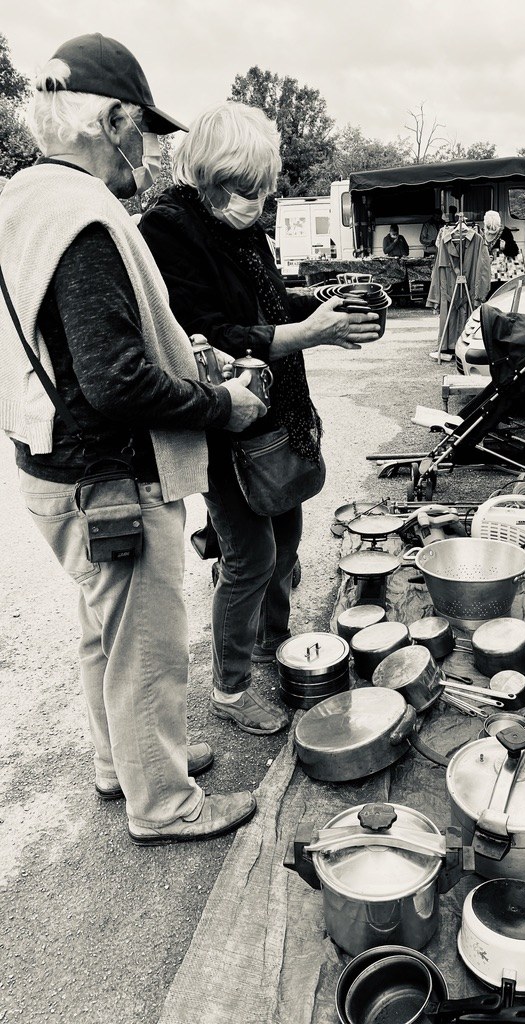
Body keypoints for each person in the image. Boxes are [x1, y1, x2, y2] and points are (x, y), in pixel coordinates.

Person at [0, 34, 267, 845]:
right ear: (109, 120)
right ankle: (166, 805)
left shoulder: (21, 198)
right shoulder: (84, 216)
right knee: (146, 648)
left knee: (102, 632)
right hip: (108, 476)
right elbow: (116, 380)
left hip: (52, 465)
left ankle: (125, 764)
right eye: (144, 131)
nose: (150, 151)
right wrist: (220, 403)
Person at [139, 102, 380, 736]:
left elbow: (269, 302)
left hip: (276, 413)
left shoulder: (237, 226)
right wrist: (305, 334)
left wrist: (330, 310)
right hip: (226, 419)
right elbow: (206, 335)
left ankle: (280, 644)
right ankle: (232, 687)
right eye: (248, 188)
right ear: (209, 173)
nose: (259, 201)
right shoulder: (170, 230)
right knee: (248, 555)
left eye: (266, 189)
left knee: (288, 540)